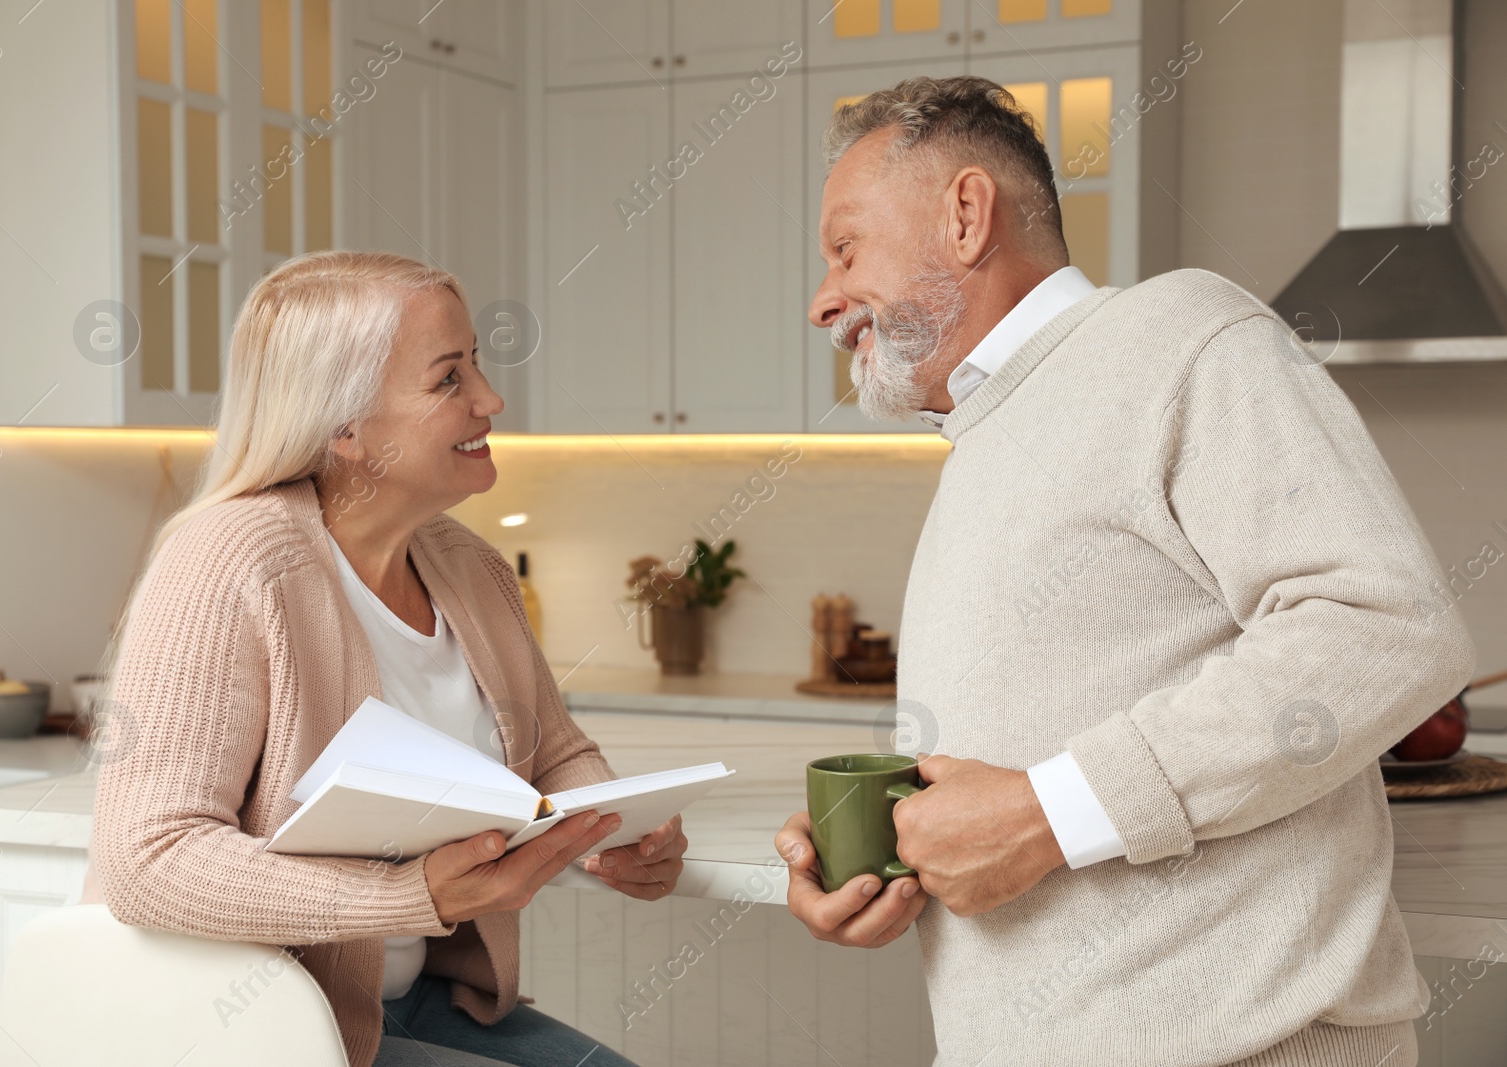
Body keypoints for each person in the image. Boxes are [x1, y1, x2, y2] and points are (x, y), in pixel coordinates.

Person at [776, 75, 1474, 1067]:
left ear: (966, 215)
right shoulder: (992, 428)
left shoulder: (1174, 335)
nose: (821, 299)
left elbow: (1381, 626)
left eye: (844, 248)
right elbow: (1045, 748)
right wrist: (894, 856)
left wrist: (1041, 815)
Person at [81, 251, 687, 1067]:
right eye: (448, 379)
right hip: (250, 1024)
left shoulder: (469, 567)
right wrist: (407, 894)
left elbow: (556, 751)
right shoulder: (230, 560)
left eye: (477, 363)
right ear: (346, 428)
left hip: (407, 999)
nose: (490, 399)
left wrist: (611, 829)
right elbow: (148, 859)